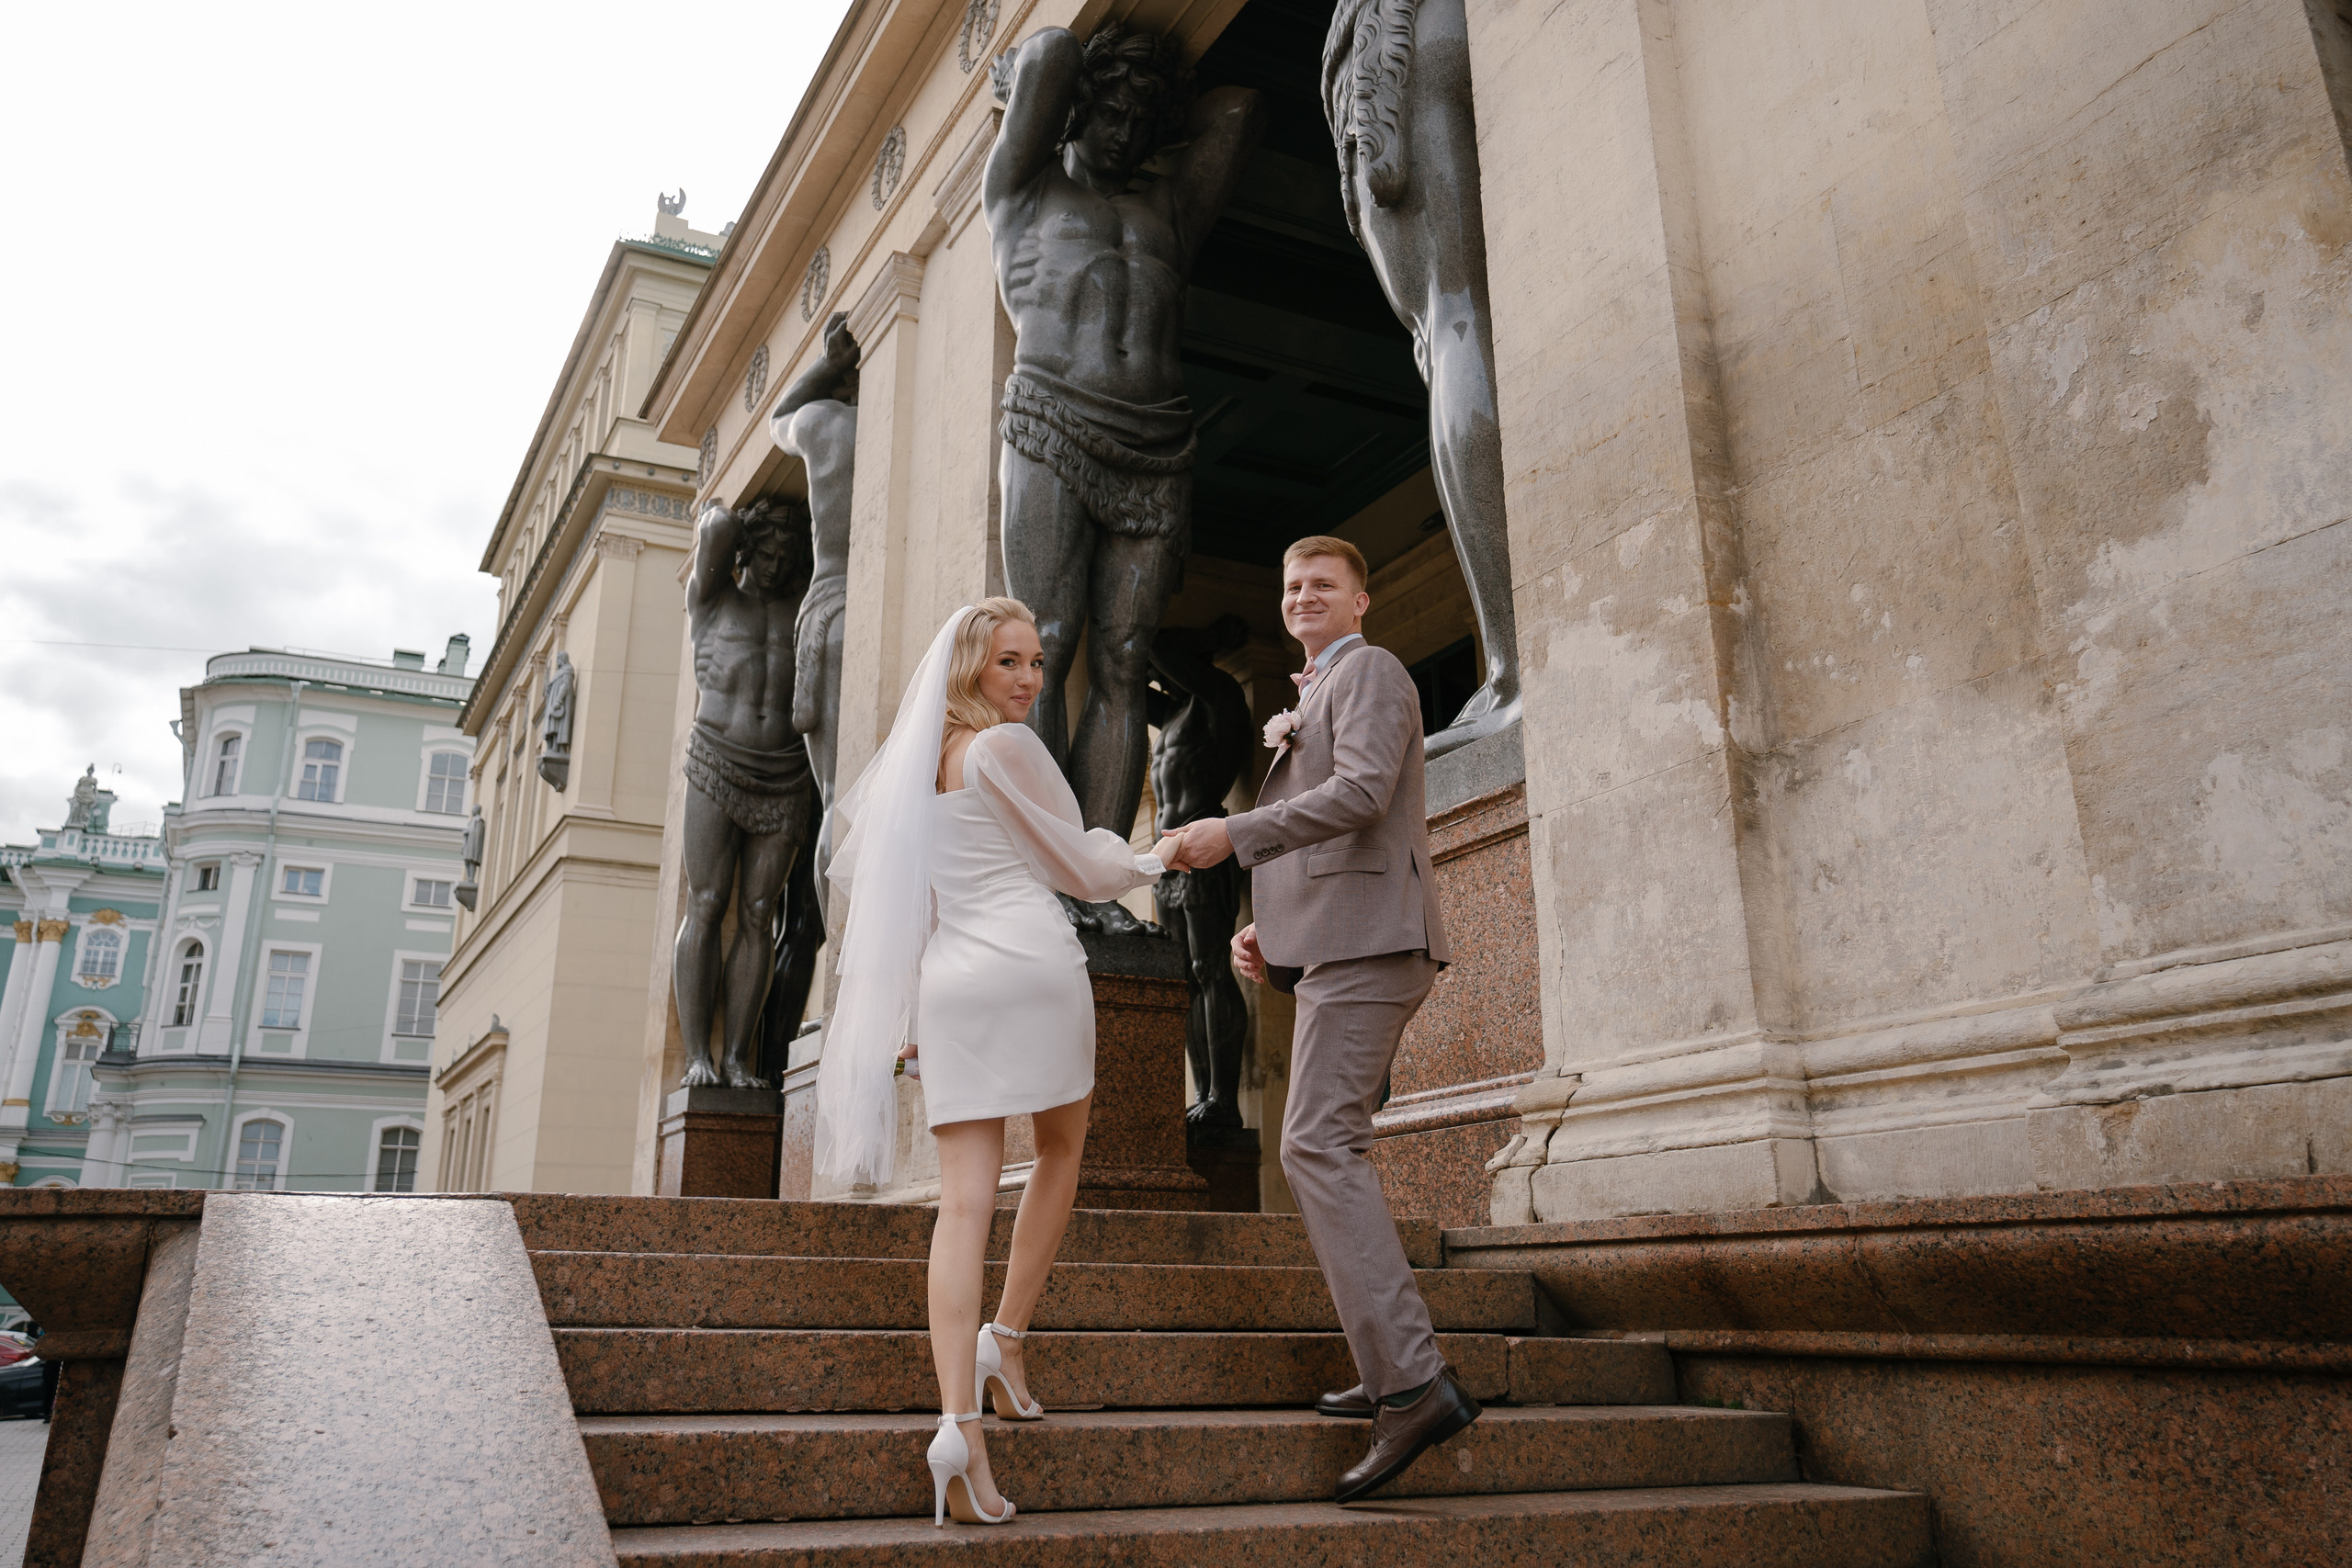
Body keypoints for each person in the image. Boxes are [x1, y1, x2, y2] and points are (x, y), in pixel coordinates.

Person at [813, 598, 1183, 1527]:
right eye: (1008, 661)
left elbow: (913, 901)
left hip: (951, 983)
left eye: (1035, 662)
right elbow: (1080, 870)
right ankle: (1006, 1334)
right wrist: (1160, 857)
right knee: (1060, 1150)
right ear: (971, 667)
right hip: (1029, 967)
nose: (1028, 679)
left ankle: (957, 1427)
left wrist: (908, 1013)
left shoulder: (915, 767)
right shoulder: (1002, 749)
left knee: (963, 1203)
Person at [1159, 536, 1476, 1503]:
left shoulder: (1369, 670)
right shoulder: (1321, 684)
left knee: (1316, 1145)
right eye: (1292, 584)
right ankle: (1391, 1370)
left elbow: (1363, 793)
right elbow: (1335, 822)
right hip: (1341, 942)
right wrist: (1277, 930)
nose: (1303, 596)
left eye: (1323, 584)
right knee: (1319, 1146)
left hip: (1376, 942)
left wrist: (1234, 833)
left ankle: (1412, 1384)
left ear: (1360, 601)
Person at [984, 22, 1262, 931]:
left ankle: (1094, 882)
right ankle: (1040, 874)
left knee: (1123, 662)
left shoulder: (1169, 209)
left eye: (1144, 120)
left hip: (1156, 439)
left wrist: (1155, 99)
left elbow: (1238, 108)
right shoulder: (1021, 187)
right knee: (1042, 645)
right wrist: (1060, 90)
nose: (1124, 132)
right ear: (1072, 108)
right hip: (1051, 417)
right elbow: (1049, 51)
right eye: (1111, 112)